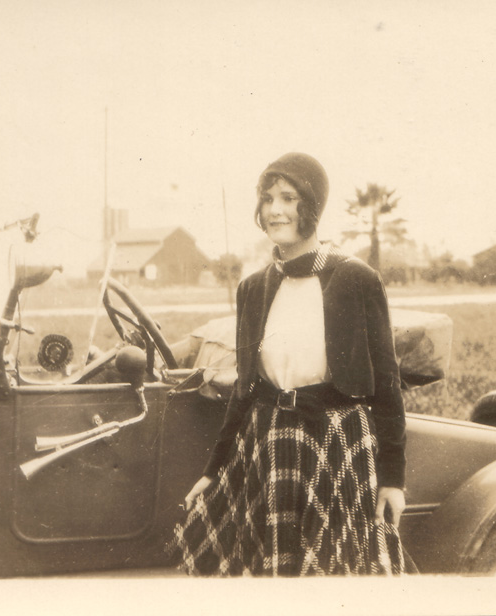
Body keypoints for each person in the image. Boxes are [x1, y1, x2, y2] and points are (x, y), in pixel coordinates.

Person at [171, 152, 412, 576]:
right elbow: (244, 389)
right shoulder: (253, 288)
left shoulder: (357, 279)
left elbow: (388, 383)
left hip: (336, 444)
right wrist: (213, 471)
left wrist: (393, 479)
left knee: (333, 576)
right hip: (269, 444)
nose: (275, 210)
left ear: (313, 204)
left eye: (288, 197)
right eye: (267, 199)